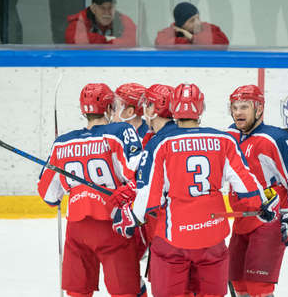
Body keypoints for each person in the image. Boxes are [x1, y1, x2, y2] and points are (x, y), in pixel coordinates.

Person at [111, 83, 277, 297]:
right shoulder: (224, 140)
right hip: (212, 238)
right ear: (201, 109)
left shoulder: (160, 144)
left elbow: (149, 195)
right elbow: (247, 184)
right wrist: (262, 205)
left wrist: (132, 216)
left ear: (173, 108)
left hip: (173, 241)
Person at [37, 83, 143, 297]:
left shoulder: (62, 143)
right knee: (125, 292)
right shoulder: (121, 131)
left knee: (78, 290)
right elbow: (140, 173)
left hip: (77, 229)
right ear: (110, 108)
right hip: (113, 225)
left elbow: (48, 194)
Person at [226, 85, 288, 297]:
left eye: (244, 107)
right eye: (235, 107)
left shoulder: (276, 138)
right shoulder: (229, 136)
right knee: (238, 283)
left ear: (259, 109)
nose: (238, 112)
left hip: (268, 221)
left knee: (259, 287)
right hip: (241, 221)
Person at [65, 0, 136, 46]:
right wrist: (106, 39)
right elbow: (74, 40)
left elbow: (132, 41)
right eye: (102, 8)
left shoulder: (123, 20)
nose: (107, 13)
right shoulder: (81, 19)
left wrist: (101, 42)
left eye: (110, 7)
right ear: (93, 8)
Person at [155, 2, 229, 48]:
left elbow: (223, 42)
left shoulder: (208, 27)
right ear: (181, 24)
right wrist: (196, 43)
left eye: (198, 18)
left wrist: (192, 37)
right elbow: (160, 43)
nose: (198, 23)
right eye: (192, 20)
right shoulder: (171, 31)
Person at [113, 83, 154, 147]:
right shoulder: (112, 132)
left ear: (130, 112)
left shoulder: (149, 137)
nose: (113, 113)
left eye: (116, 107)